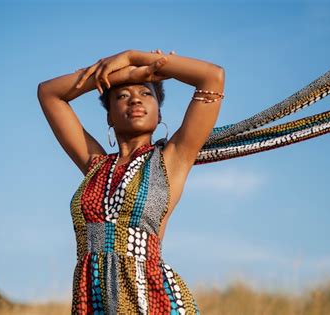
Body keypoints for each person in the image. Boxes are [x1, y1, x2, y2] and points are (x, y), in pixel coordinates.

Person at [37, 49, 225, 314]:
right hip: (92, 301)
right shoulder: (95, 164)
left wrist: (132, 56)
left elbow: (212, 77)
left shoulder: (172, 159)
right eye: (122, 96)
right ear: (109, 117)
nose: (135, 100)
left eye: (146, 93)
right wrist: (130, 74)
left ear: (158, 114)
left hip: (151, 299)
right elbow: (48, 93)